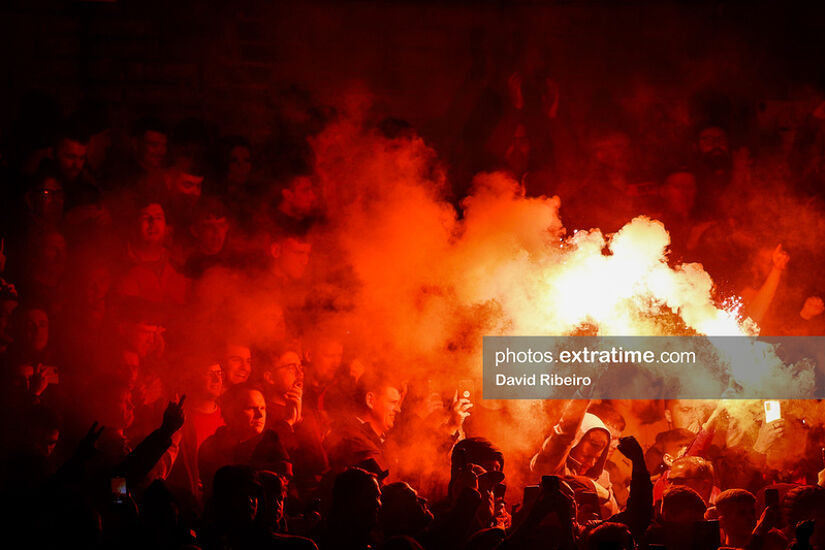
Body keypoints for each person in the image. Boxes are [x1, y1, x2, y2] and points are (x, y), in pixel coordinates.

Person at [198, 383, 292, 500]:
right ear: (231, 411)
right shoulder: (212, 447)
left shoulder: (272, 445)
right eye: (251, 408)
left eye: (263, 408)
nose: (260, 415)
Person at [324, 370, 403, 474]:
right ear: (370, 400)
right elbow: (387, 484)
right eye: (393, 402)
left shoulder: (383, 442)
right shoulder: (352, 440)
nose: (398, 410)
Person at [115, 198, 188, 305]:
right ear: (133, 224)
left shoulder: (178, 264)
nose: (152, 222)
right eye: (145, 218)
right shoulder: (121, 265)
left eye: (158, 218)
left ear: (167, 227)